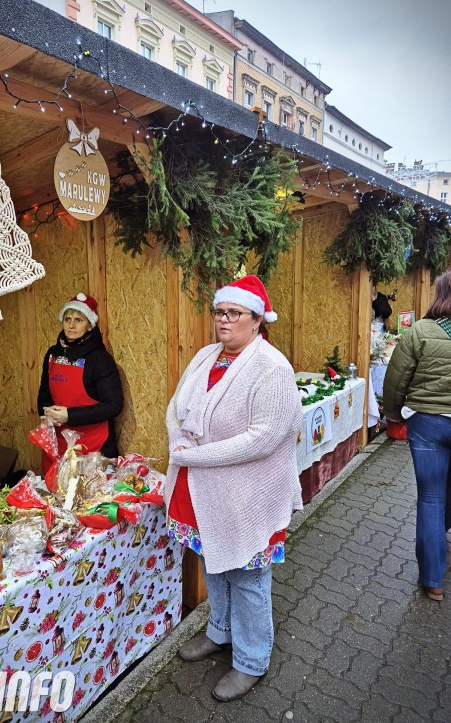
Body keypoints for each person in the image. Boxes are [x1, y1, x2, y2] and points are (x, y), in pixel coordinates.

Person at [165, 275, 303, 702]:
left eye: (234, 314)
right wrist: (177, 441)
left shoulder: (272, 368)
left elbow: (264, 437)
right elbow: (175, 406)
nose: (223, 321)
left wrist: (193, 455)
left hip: (246, 496)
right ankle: (220, 632)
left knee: (247, 576)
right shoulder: (208, 356)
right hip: (204, 491)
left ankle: (251, 660)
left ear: (257, 320)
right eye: (219, 312)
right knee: (214, 563)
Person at [382, 270, 451, 602]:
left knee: (431, 499)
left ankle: (433, 580)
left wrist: (393, 413)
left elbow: (396, 379)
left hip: (428, 425)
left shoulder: (420, 331)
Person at [37, 293, 123, 474]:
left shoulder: (100, 359)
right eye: (67, 319)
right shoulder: (53, 355)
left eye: (78, 320)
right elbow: (44, 393)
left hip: (94, 448)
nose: (71, 325)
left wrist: (70, 415)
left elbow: (114, 405)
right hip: (59, 444)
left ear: (90, 325)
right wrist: (46, 413)